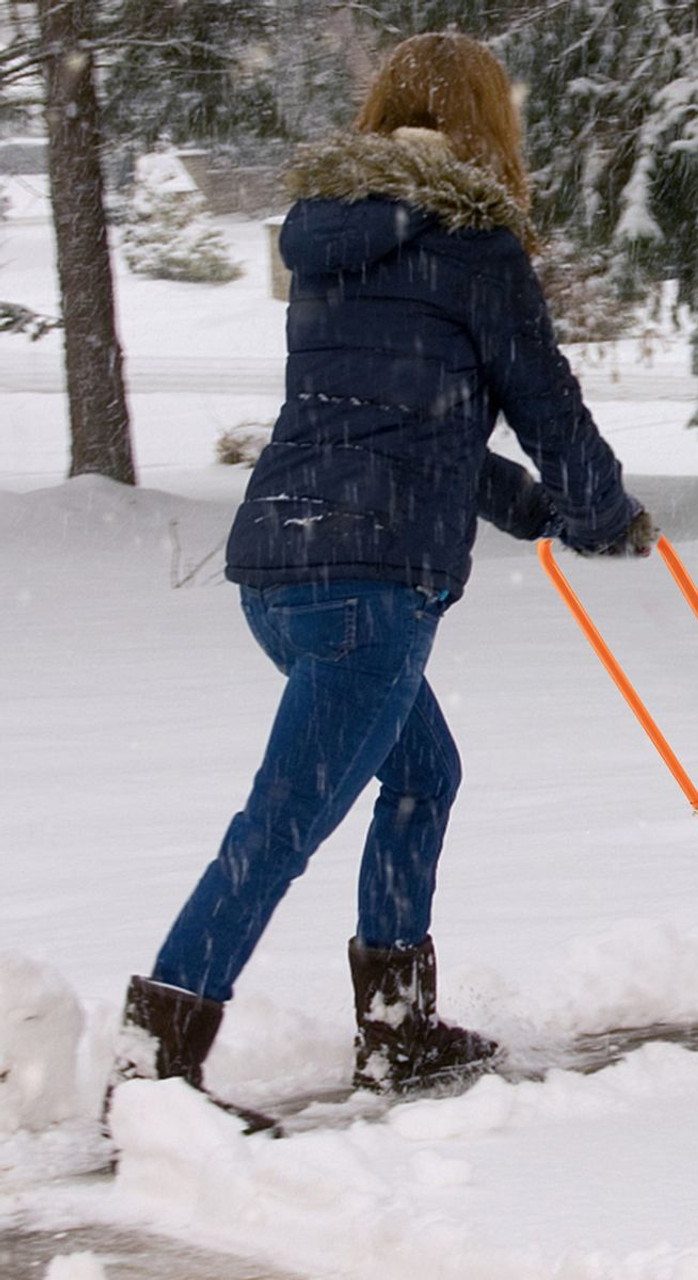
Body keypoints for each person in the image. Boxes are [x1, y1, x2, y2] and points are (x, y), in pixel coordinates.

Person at [110, 32, 657, 1129]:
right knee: (281, 821)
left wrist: (534, 510)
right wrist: (603, 512)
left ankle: (400, 1027)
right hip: (370, 586)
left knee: (422, 772)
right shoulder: (473, 243)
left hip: (281, 562)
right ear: (487, 125)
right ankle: (153, 1070)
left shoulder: (328, 243)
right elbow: (541, 402)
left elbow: (404, 418)